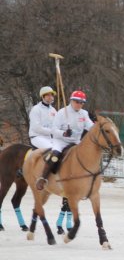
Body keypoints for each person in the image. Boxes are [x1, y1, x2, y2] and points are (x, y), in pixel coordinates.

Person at [29, 86, 73, 234]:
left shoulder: (54, 110)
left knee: (65, 150)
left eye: (51, 95)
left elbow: (58, 126)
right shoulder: (36, 109)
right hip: (37, 137)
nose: (50, 97)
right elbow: (37, 127)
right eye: (47, 96)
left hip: (52, 137)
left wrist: (65, 129)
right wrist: (55, 131)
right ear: (42, 97)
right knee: (53, 151)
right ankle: (44, 176)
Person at [35, 90, 94, 190]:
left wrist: (98, 128)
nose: (79, 104)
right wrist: (64, 133)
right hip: (61, 141)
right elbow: (53, 130)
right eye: (77, 102)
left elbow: (90, 126)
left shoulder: (84, 113)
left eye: (82, 102)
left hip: (76, 142)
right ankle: (43, 178)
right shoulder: (62, 112)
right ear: (71, 101)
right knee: (55, 155)